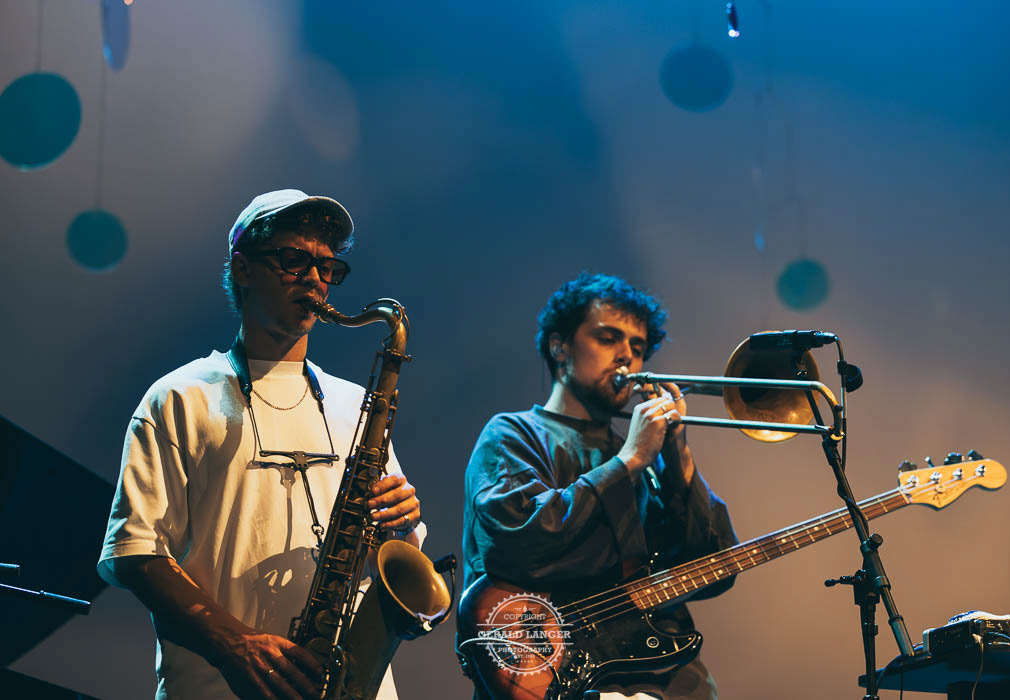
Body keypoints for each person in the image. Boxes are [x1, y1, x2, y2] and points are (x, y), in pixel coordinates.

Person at [98, 190, 425, 700]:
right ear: (243, 269)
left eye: (326, 267)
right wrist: (234, 645)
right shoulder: (180, 396)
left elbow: (388, 554)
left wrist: (399, 525)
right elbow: (135, 553)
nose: (315, 279)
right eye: (294, 260)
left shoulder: (356, 403)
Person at [460, 272, 738, 699]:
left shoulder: (644, 453)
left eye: (638, 348)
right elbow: (521, 545)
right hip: (561, 677)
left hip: (664, 677)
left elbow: (715, 571)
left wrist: (678, 454)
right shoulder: (513, 434)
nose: (626, 356)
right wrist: (629, 461)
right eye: (608, 338)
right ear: (560, 347)